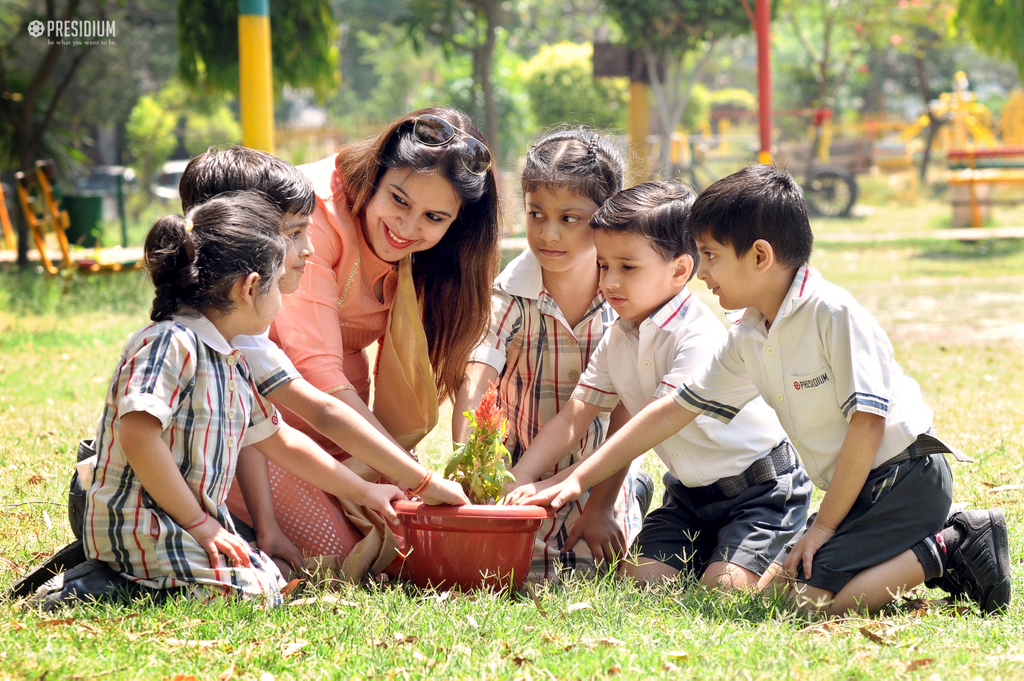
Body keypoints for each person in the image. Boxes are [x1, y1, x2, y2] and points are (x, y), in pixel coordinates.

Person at [523, 165, 1010, 616]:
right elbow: (673, 411)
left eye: (710, 256)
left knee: (804, 605)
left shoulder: (831, 314)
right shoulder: (749, 334)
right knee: (776, 596)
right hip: (848, 487)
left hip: (905, 478)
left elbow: (868, 424)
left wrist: (822, 528)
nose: (704, 272)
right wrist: (578, 482)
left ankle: (954, 543)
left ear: (759, 256)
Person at [80, 192, 403, 604]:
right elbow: (138, 437)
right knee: (255, 593)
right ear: (251, 287)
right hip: (141, 523)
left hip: (184, 525)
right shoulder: (171, 344)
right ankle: (97, 587)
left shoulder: (231, 359)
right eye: (279, 279)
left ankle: (153, 582)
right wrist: (199, 523)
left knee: (279, 573)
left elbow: (280, 441)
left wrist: (364, 491)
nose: (284, 295)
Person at [178, 147, 469, 577]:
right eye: (295, 233)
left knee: (370, 546)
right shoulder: (185, 339)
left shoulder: (245, 338)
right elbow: (322, 408)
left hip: (219, 490)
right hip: (158, 512)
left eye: (435, 217)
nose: (310, 248)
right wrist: (420, 481)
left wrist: (270, 524)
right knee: (334, 559)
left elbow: (264, 440)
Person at [227, 108, 500, 563]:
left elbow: (463, 363)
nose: (408, 229)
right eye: (398, 200)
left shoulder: (447, 253)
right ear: (374, 175)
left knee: (409, 542)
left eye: (434, 217)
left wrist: (458, 469)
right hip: (262, 420)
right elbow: (314, 380)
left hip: (342, 424)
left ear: (458, 223)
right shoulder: (309, 214)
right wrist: (418, 478)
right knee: (341, 552)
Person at [507, 181, 812, 589]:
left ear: (680, 270)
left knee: (724, 592)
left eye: (627, 267)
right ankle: (710, 546)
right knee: (641, 585)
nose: (610, 282)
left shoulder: (698, 335)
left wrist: (571, 479)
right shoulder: (619, 336)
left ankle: (801, 541)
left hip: (761, 493)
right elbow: (575, 415)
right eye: (603, 265)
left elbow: (656, 420)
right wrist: (520, 478)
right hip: (688, 497)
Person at [452, 130, 643, 581]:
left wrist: (599, 507)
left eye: (570, 218)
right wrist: (475, 471)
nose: (548, 233)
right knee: (499, 569)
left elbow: (629, 413)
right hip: (516, 473)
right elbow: (476, 378)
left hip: (597, 475)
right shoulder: (507, 295)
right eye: (536, 214)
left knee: (605, 567)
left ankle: (631, 496)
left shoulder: (626, 297)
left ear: (606, 217)